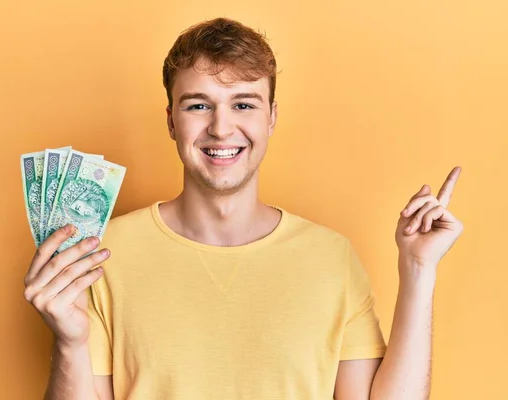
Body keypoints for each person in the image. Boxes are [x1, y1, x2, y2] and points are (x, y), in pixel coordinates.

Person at [23, 17, 464, 400]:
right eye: (199, 105)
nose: (221, 127)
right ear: (171, 120)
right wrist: (69, 344)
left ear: (271, 117)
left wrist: (418, 268)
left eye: (243, 104)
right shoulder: (99, 253)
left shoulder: (332, 258)